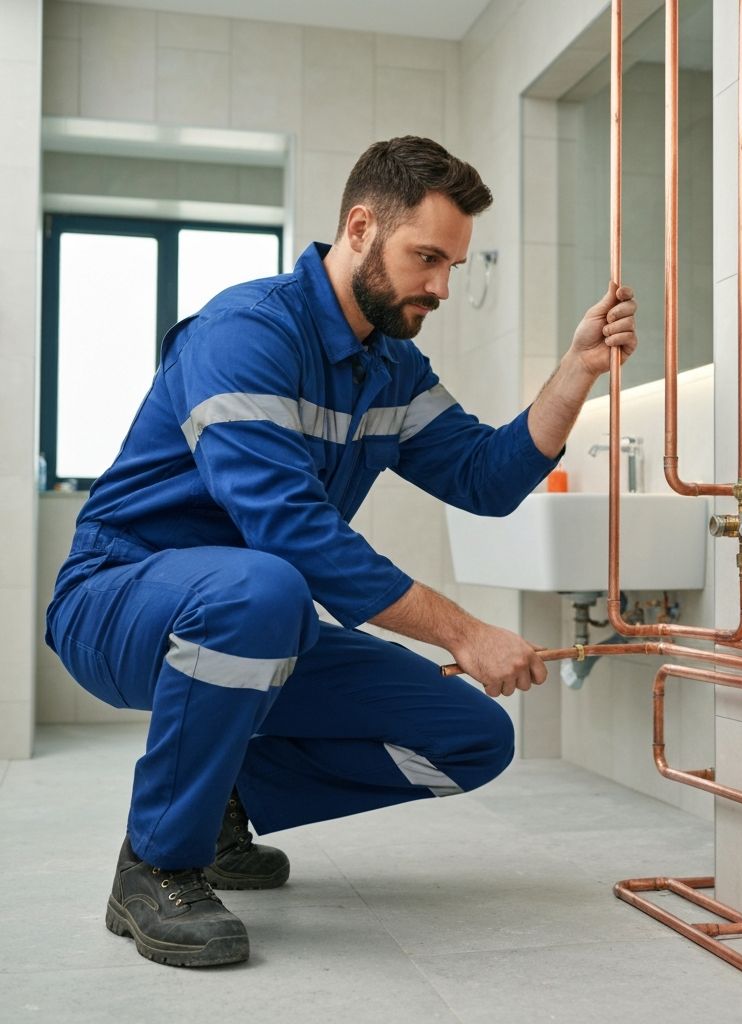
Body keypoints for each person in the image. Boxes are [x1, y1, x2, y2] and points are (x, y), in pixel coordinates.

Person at [45, 136, 637, 969]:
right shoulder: (245, 333)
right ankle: (156, 863)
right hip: (119, 598)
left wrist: (576, 372)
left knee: (471, 735)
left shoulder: (387, 368)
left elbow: (486, 476)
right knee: (267, 586)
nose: (438, 284)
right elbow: (290, 533)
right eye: (424, 257)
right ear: (361, 227)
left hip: (262, 617)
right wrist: (465, 632)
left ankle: (216, 801)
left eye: (451, 267)